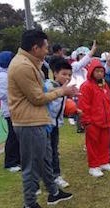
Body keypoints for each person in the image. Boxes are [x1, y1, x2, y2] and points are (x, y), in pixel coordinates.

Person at [8, 29, 75, 208]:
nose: (47, 50)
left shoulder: (30, 63)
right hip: (29, 122)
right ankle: (29, 206)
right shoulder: (22, 66)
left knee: (46, 159)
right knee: (32, 165)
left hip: (38, 121)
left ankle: (53, 193)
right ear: (35, 47)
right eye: (45, 47)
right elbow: (37, 98)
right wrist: (62, 91)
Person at [78, 59, 110, 177]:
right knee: (93, 144)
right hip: (93, 122)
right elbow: (84, 105)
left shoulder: (104, 85)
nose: (100, 73)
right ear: (91, 72)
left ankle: (103, 162)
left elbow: (107, 101)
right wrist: (87, 121)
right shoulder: (86, 86)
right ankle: (93, 166)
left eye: (101, 71)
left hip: (105, 120)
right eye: (97, 71)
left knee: (104, 142)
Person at [45, 59, 75, 188]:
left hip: (55, 125)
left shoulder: (63, 89)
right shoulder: (49, 86)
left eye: (69, 75)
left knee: (54, 151)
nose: (67, 77)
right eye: (64, 74)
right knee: (45, 153)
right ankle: (46, 179)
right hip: (46, 126)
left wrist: (76, 110)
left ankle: (55, 176)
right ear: (55, 73)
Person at [68, 41, 97, 133]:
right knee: (79, 109)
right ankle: (80, 126)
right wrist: (91, 52)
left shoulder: (85, 68)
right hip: (77, 92)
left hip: (86, 91)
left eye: (85, 55)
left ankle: (85, 124)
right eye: (81, 55)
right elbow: (82, 63)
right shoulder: (74, 65)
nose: (84, 57)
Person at [0, 51, 21, 172]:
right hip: (10, 109)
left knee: (17, 135)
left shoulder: (7, 73)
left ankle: (16, 160)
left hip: (14, 108)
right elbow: (3, 94)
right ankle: (10, 162)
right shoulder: (2, 76)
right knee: (13, 136)